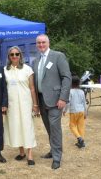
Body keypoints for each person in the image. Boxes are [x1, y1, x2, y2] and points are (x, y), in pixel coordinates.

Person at [33, 34, 71, 169]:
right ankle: (53, 150)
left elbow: (66, 78)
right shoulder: (36, 60)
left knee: (55, 128)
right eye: (38, 43)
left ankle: (57, 157)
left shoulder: (58, 56)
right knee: (49, 127)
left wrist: (63, 98)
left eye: (43, 42)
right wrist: (35, 103)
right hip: (42, 99)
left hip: (56, 100)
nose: (41, 45)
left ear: (48, 43)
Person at [3, 46, 39, 166]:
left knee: (27, 127)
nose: (14, 56)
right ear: (9, 56)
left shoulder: (28, 69)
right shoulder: (5, 70)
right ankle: (21, 152)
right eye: (12, 54)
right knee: (16, 127)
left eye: (17, 54)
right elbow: (3, 89)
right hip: (12, 104)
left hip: (25, 103)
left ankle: (30, 155)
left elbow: (32, 88)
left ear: (20, 55)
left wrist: (35, 104)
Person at [63, 75, 87, 148]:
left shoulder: (70, 91)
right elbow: (84, 102)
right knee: (81, 126)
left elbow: (68, 102)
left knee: (72, 125)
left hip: (74, 111)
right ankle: (81, 142)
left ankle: (79, 138)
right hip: (81, 111)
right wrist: (85, 112)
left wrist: (64, 110)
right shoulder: (82, 91)